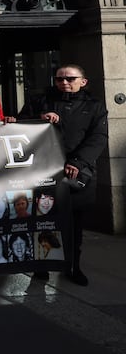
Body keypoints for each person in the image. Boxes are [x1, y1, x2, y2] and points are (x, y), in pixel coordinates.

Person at [18, 64, 108, 285]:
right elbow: (20, 125)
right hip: (44, 172)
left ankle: (72, 267)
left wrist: (78, 161)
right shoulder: (40, 100)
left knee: (74, 226)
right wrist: (40, 118)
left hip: (77, 173)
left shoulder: (94, 106)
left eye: (70, 79)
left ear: (83, 81)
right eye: (59, 79)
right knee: (43, 221)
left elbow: (98, 137)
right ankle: (42, 267)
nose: (64, 83)